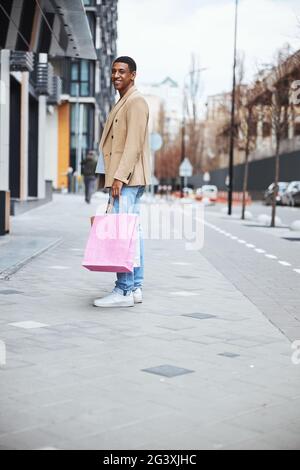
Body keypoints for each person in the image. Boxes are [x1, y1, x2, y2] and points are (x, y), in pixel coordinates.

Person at [93, 56, 151, 308]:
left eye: (122, 72)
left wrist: (119, 177)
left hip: (126, 179)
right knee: (130, 232)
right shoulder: (124, 101)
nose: (116, 75)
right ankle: (135, 286)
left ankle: (124, 290)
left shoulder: (136, 102)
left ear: (133, 75)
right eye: (114, 71)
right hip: (126, 179)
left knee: (122, 234)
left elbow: (133, 145)